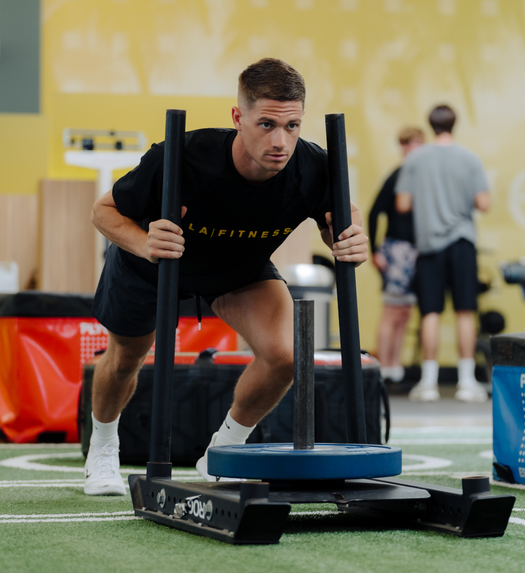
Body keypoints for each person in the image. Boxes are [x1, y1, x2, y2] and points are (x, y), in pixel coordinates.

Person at [84, 58, 368, 495]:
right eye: (267, 124)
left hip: (238, 269)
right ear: (238, 117)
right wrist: (144, 244)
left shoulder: (314, 167)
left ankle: (223, 453)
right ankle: (102, 452)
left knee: (288, 355)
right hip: (152, 263)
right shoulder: (181, 156)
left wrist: (348, 239)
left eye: (292, 126)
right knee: (125, 358)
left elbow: (340, 220)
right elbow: (103, 211)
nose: (281, 141)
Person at [395, 104, 490, 403]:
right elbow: (484, 202)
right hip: (462, 241)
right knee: (465, 311)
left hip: (428, 245)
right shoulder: (469, 157)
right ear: (454, 123)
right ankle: (466, 382)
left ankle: (428, 383)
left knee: (430, 313)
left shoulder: (416, 159)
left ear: (430, 125)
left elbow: (402, 204)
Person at [368, 127, 425, 383]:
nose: (411, 150)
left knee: (404, 312)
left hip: (416, 250)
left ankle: (395, 364)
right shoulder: (398, 176)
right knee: (392, 310)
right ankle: (383, 365)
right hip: (397, 249)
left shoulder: (423, 178)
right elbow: (373, 212)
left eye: (415, 144)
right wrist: (375, 250)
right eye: (406, 145)